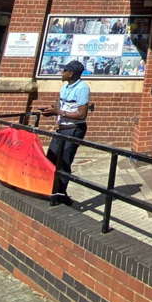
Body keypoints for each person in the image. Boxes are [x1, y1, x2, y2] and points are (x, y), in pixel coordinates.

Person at [41, 59, 90, 205]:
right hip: (61, 128)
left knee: (64, 162)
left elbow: (82, 114)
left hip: (74, 129)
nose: (62, 73)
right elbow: (60, 104)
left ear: (71, 73)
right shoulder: (65, 87)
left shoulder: (82, 88)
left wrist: (59, 112)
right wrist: (51, 110)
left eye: (65, 71)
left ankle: (60, 194)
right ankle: (49, 190)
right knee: (51, 158)